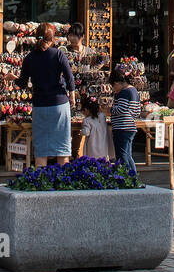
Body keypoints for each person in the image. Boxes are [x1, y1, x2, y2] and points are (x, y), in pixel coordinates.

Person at [21, 22, 75, 167]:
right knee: (62, 149)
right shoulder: (58, 54)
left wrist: (12, 78)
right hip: (59, 104)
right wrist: (72, 96)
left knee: (41, 149)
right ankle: (63, 183)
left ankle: (40, 182)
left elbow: (21, 83)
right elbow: (69, 77)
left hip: (40, 105)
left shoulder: (29, 58)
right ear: (53, 38)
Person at [109, 68, 141, 177]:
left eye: (113, 86)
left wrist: (109, 110)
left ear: (117, 83)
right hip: (130, 127)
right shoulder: (134, 91)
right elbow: (137, 112)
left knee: (122, 155)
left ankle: (126, 177)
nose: (114, 89)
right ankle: (133, 177)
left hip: (122, 128)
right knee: (127, 154)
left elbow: (121, 109)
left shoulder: (124, 92)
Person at [78, 94, 114, 160]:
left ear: (86, 110)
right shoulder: (102, 116)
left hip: (92, 147)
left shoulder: (87, 121)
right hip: (103, 145)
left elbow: (86, 132)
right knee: (103, 161)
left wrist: (81, 132)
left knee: (93, 162)